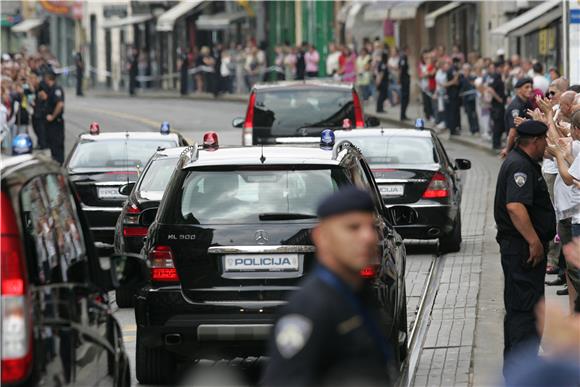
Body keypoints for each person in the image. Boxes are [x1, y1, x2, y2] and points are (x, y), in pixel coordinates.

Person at [262, 187, 395, 387]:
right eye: (353, 228)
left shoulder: (358, 294)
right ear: (321, 237)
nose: (368, 238)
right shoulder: (309, 308)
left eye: (372, 227)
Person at [493, 120, 556, 379]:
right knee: (525, 312)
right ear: (535, 141)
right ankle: (522, 374)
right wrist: (533, 241)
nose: (547, 146)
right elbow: (515, 207)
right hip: (522, 251)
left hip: (519, 250)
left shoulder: (522, 162)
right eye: (545, 141)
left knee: (521, 309)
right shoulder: (520, 165)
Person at [501, 78, 534, 158]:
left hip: (527, 146)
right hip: (517, 148)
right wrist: (507, 149)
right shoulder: (516, 107)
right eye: (526, 87)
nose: (530, 89)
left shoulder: (527, 103)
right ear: (518, 90)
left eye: (531, 87)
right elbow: (513, 132)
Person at [43, 70, 65, 164]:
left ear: (48, 78)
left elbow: (60, 104)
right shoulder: (50, 89)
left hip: (56, 123)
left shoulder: (56, 89)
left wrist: (52, 116)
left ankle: (59, 165)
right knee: (52, 144)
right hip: (51, 124)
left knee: (57, 145)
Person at [487, 62, 506, 150]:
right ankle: (496, 144)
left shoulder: (497, 77)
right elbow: (490, 89)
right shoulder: (496, 77)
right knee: (497, 125)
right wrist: (499, 99)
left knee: (498, 125)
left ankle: (497, 143)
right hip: (497, 106)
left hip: (497, 105)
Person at [444, 57, 462, 135]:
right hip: (453, 94)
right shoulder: (454, 71)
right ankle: (453, 129)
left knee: (454, 112)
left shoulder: (451, 70)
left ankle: (454, 128)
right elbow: (456, 82)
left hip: (453, 94)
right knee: (453, 112)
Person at [460, 63, 479, 134]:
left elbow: (474, 86)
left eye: (466, 70)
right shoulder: (462, 79)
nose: (465, 72)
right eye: (464, 70)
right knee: (469, 114)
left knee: (474, 114)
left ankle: (476, 128)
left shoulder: (472, 78)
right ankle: (472, 129)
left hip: (472, 99)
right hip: (466, 99)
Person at [399, 46, 410, 121]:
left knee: (406, 98)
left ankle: (403, 114)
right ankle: (402, 115)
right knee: (405, 98)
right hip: (404, 80)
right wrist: (400, 79)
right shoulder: (403, 58)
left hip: (405, 79)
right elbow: (401, 69)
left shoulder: (404, 58)